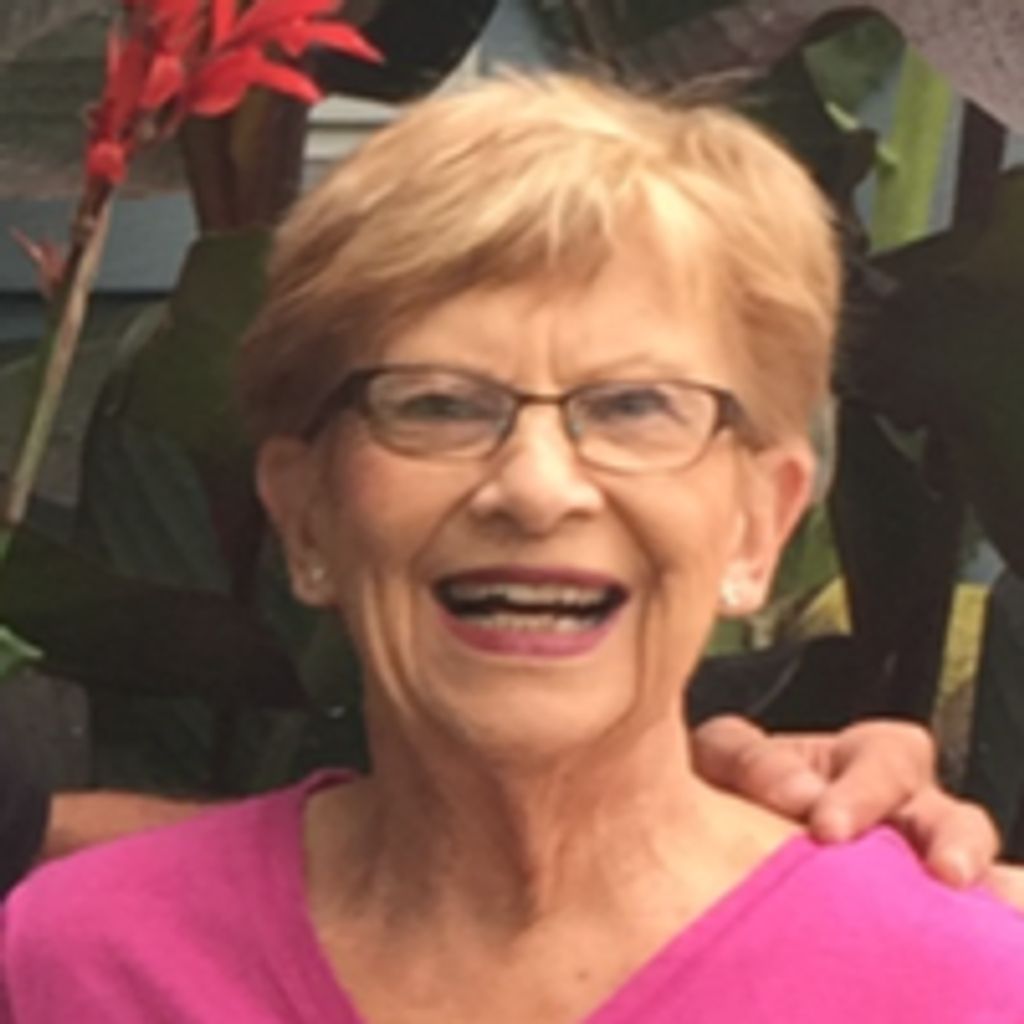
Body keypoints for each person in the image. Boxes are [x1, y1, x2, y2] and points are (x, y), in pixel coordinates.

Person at [3, 73, 1024, 1021]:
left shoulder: (955, 985)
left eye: (635, 406)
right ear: (305, 513)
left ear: (759, 521)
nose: (536, 489)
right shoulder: (72, 969)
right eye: (438, 404)